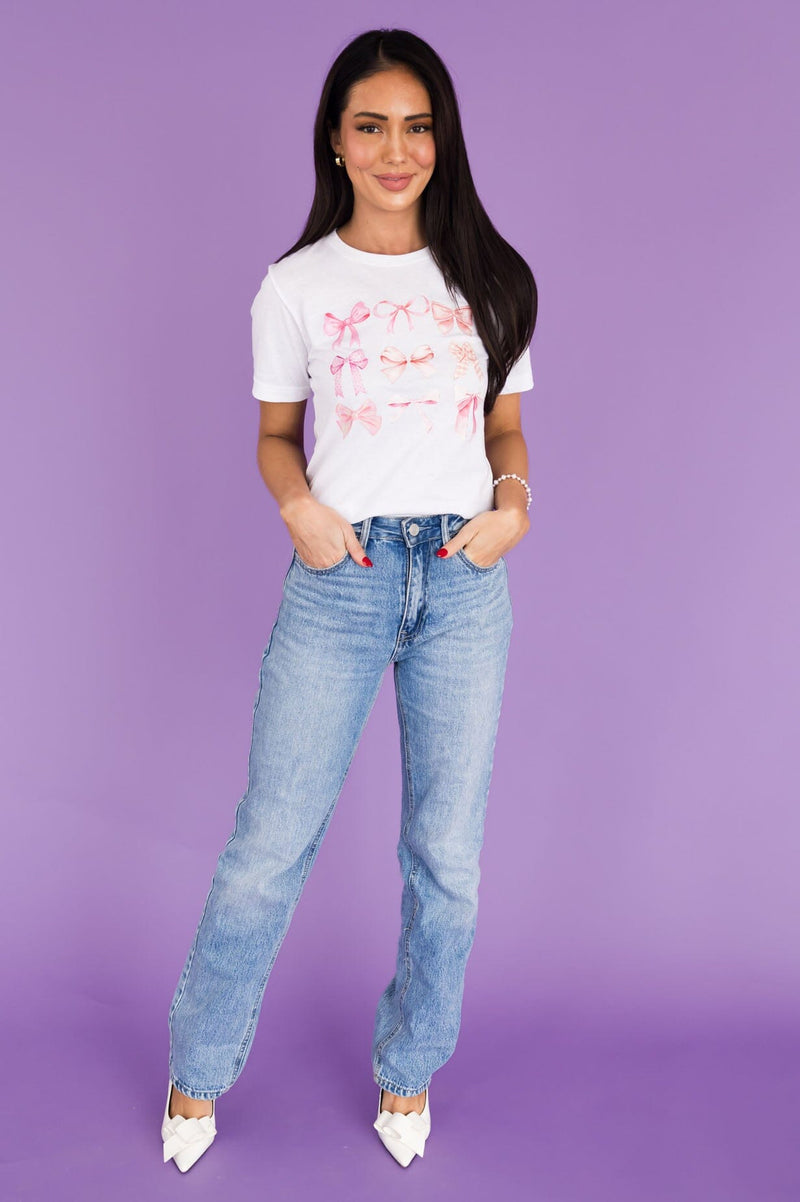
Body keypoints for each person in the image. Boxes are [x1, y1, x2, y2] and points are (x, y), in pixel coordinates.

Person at [161, 26, 538, 1173]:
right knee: (268, 844)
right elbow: (276, 435)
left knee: (445, 856)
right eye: (370, 126)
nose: (395, 150)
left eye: (416, 127)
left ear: (442, 140)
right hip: (342, 579)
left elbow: (504, 427)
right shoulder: (296, 285)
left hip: (463, 581)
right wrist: (298, 509)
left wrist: (514, 503)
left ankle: (408, 1066)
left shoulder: (492, 278)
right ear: (334, 139)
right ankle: (196, 1071)